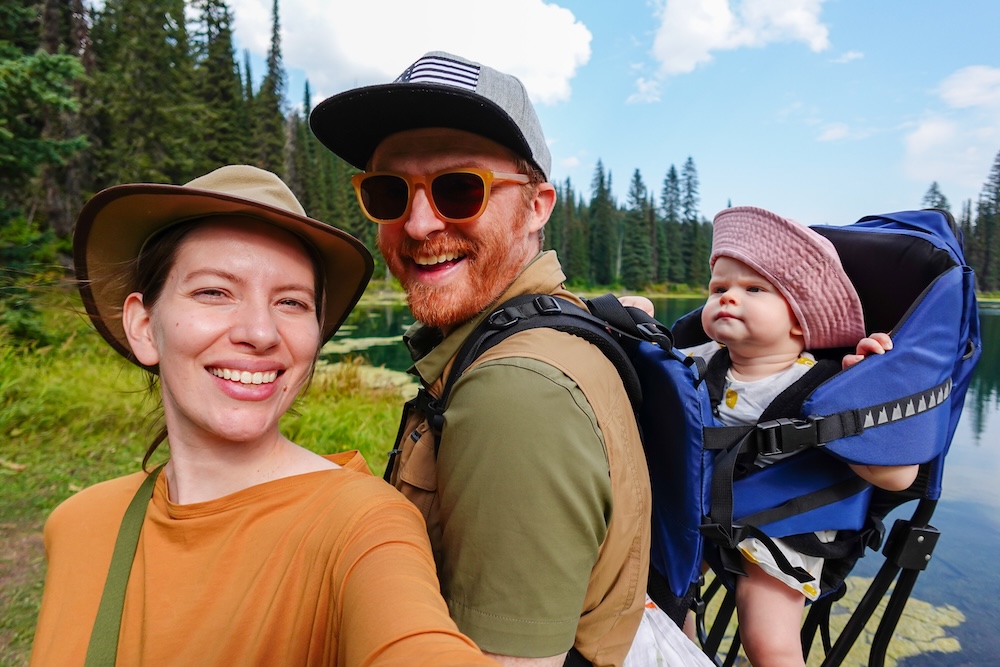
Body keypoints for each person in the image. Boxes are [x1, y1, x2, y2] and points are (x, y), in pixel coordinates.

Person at [30, 165, 499, 666]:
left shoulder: (365, 525)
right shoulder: (77, 526)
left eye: (292, 302)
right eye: (214, 291)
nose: (260, 332)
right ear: (144, 326)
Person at [310, 52, 652, 667]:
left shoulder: (517, 390)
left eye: (459, 188)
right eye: (389, 192)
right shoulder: (539, 331)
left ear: (538, 205)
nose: (417, 224)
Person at [630, 205, 917, 667]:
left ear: (799, 321)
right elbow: (646, 355)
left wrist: (872, 387)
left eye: (753, 289)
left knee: (767, 639)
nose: (728, 297)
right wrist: (634, 318)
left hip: (784, 528)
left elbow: (898, 477)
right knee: (661, 595)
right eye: (718, 288)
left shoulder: (830, 384)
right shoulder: (696, 360)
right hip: (698, 513)